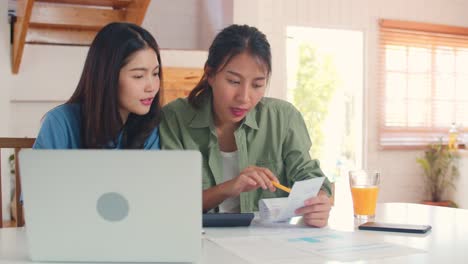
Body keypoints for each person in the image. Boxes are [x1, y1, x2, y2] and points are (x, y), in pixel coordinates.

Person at [159, 24, 332, 227]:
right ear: (210, 74)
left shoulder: (283, 118)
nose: (244, 98)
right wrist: (230, 187)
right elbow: (171, 202)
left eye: (257, 85)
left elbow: (308, 176)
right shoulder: (174, 118)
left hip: (267, 246)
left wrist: (319, 202)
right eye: (233, 81)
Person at [34, 22, 162, 149]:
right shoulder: (61, 122)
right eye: (138, 76)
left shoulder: (149, 128)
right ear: (107, 76)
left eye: (155, 73)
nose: (151, 87)